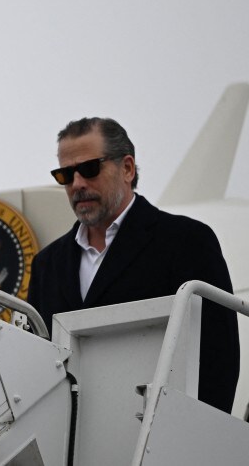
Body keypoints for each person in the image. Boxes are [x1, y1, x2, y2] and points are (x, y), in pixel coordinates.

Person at [28, 117, 239, 413]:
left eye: (89, 169)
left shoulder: (187, 241)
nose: (77, 184)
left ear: (127, 168)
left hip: (158, 431)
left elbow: (218, 356)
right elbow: (37, 365)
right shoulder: (47, 264)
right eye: (65, 175)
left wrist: (194, 434)